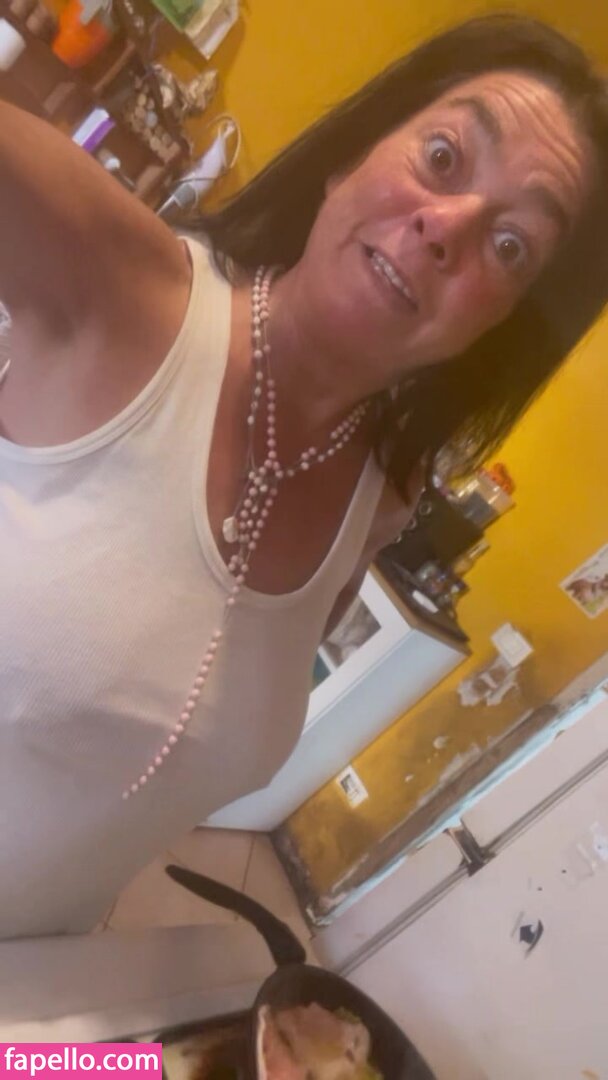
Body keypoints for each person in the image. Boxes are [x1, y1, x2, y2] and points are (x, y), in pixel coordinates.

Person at [1, 13, 607, 939]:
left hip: (49, 987)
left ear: (501, 327)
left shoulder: (381, 501)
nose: (446, 227)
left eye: (511, 245)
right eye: (443, 157)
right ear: (351, 158)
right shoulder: (124, 282)